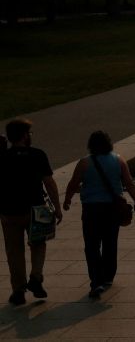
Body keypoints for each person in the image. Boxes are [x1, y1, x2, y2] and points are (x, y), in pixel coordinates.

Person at [63, 131, 135, 299]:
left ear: (91, 145)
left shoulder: (84, 163)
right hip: (112, 209)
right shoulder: (119, 160)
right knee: (110, 242)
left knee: (91, 245)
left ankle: (96, 281)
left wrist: (67, 200)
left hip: (92, 209)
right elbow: (129, 182)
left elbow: (73, 183)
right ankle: (108, 277)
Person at [0, 118, 62, 306]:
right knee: (38, 244)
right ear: (25, 135)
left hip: (9, 210)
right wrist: (57, 207)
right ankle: (36, 277)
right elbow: (49, 183)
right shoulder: (37, 155)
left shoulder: (2, 156)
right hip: (37, 208)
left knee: (14, 251)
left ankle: (18, 290)